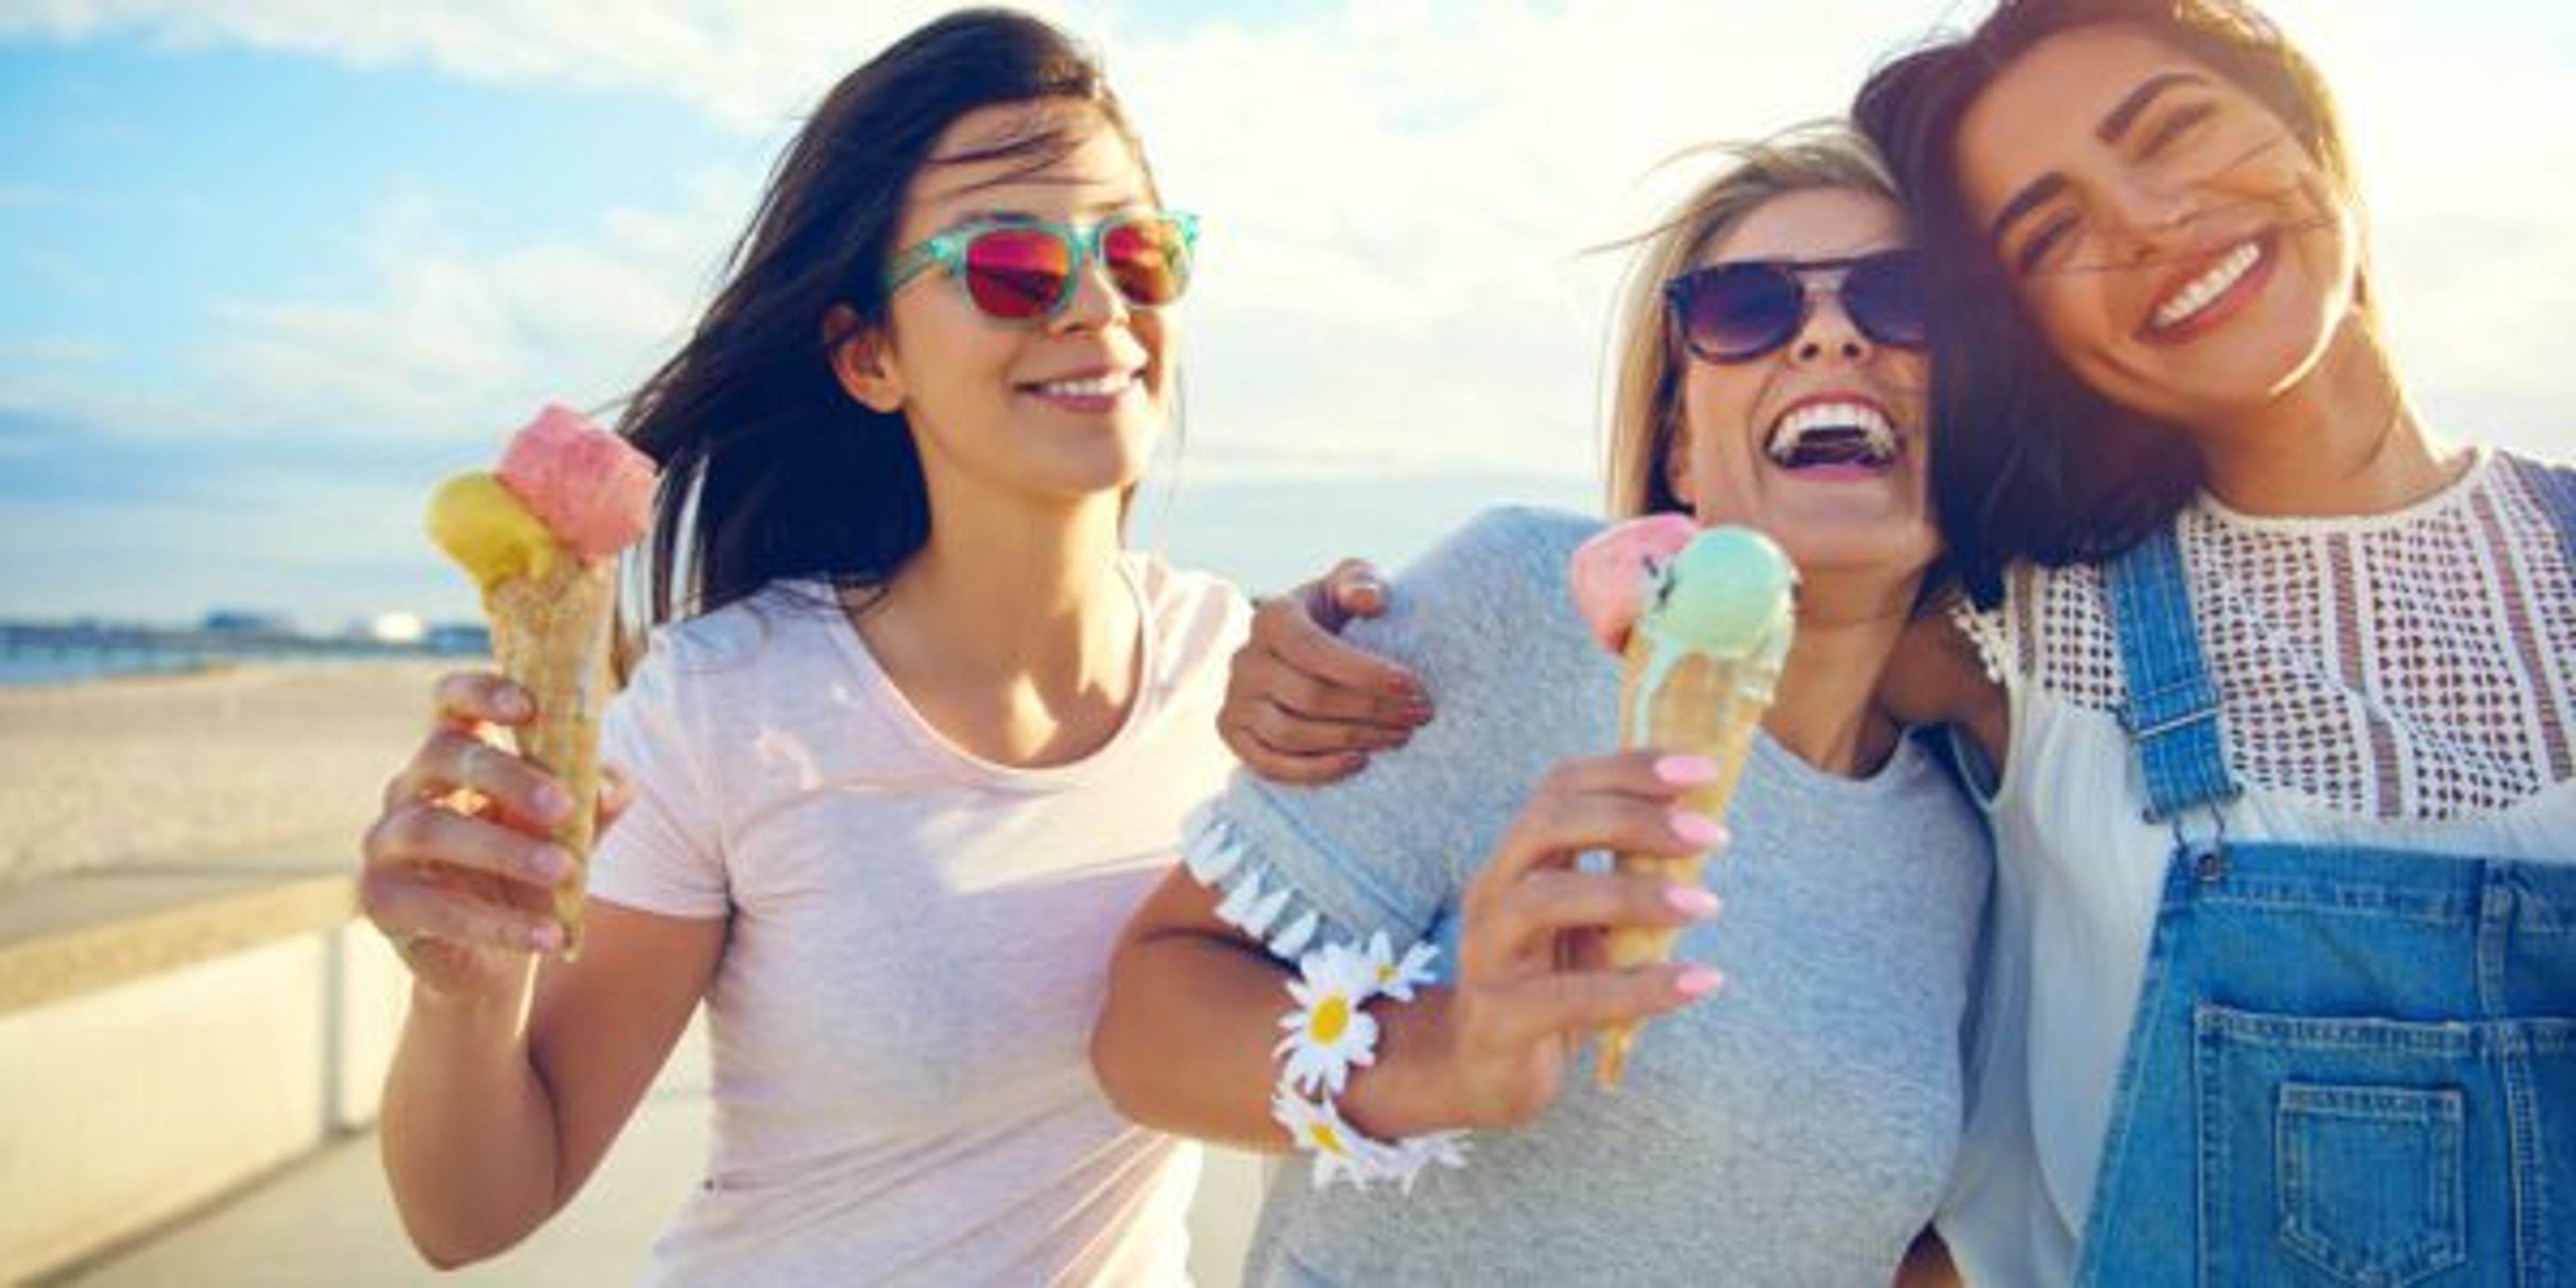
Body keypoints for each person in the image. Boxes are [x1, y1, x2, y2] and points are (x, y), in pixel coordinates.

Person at [356, 11, 1260, 1282]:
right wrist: (463, 992)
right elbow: (473, 1213)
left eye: (1137, 251)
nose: (1100, 304)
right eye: (1013, 267)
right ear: (870, 356)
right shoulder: (733, 704)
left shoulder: (1244, 680)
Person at [1092, 125, 1988, 1285]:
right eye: (1745, 309)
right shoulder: (1515, 606)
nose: (1831, 331)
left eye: (1907, 297)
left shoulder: (1986, 812)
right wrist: (1443, 1054)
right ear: (1678, 442)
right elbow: (1146, 1020)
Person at [1847, 2, 2576, 1281]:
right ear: (2035, 333)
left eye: (2173, 130)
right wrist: (1383, 657)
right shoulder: (2012, 629)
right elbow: (1682, 653)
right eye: (2052, 230)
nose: (2141, 221)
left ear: (2311, 133)